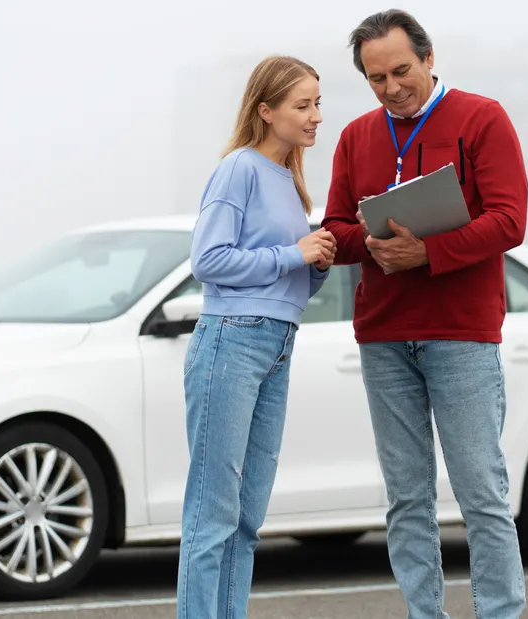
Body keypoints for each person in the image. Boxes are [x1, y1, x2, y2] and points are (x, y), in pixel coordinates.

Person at [321, 9, 528, 619]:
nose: (392, 88)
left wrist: (428, 252)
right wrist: (375, 245)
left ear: (430, 57)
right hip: (383, 337)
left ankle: (500, 612)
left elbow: (509, 220)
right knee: (406, 499)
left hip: (461, 334)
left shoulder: (482, 118)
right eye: (376, 77)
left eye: (402, 71)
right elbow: (336, 226)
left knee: (481, 494)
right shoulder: (356, 136)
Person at [177, 55, 336, 619]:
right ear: (266, 111)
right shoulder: (239, 168)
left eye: (319, 102)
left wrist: (315, 263)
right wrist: (292, 253)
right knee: (212, 511)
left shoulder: (293, 185)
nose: (316, 115)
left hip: (277, 343)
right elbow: (208, 260)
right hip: (231, 341)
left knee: (247, 517)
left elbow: (286, 287)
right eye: (303, 105)